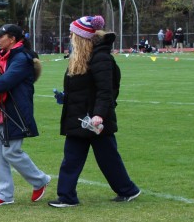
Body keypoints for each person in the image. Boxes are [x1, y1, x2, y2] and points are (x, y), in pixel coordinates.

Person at [48, 16, 140, 207]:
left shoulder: (101, 58)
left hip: (93, 119)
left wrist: (99, 114)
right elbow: (82, 88)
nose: (70, 37)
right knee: (74, 158)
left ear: (82, 37)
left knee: (107, 159)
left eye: (73, 34)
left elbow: (106, 91)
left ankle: (126, 190)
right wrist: (65, 97)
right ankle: (68, 196)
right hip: (80, 117)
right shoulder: (81, 58)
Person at [0, 24, 51, 207]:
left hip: (15, 111)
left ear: (12, 39)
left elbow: (6, 81)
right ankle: (4, 194)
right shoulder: (2, 56)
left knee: (11, 151)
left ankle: (40, 180)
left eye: (2, 36)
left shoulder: (22, 58)